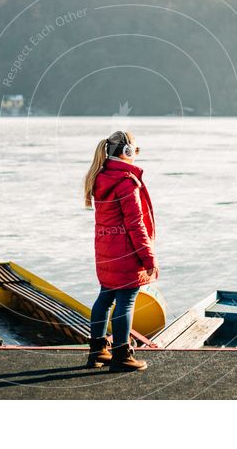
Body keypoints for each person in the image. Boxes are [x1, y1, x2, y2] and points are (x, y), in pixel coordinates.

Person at [83, 130, 158, 372]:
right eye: (135, 150)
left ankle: (97, 352)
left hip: (106, 250)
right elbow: (135, 224)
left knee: (105, 299)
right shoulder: (126, 182)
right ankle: (122, 355)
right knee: (125, 302)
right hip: (126, 253)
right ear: (126, 152)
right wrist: (149, 259)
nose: (135, 154)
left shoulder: (101, 177)